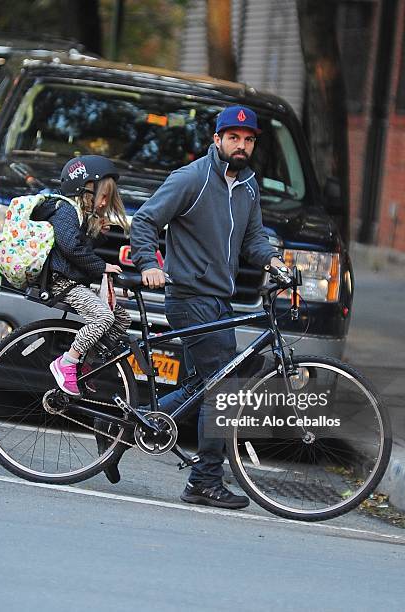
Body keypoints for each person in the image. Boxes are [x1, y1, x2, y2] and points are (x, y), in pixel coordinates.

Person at [129, 105, 284, 509]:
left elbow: (253, 240)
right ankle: (204, 480)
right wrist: (149, 264)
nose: (241, 145)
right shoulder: (192, 178)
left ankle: (127, 425)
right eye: (233, 138)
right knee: (224, 388)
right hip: (189, 296)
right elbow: (144, 221)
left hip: (220, 299)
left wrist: (273, 261)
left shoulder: (248, 186)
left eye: (248, 140)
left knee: (204, 384)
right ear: (217, 140)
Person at [45, 155, 131, 398]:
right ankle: (67, 362)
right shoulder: (64, 210)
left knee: (120, 319)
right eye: (102, 196)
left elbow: (79, 247)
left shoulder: (80, 217)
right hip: (62, 282)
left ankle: (85, 364)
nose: (104, 203)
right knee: (103, 317)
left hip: (73, 282)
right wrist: (101, 267)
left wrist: (97, 236)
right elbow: (71, 248)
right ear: (83, 190)